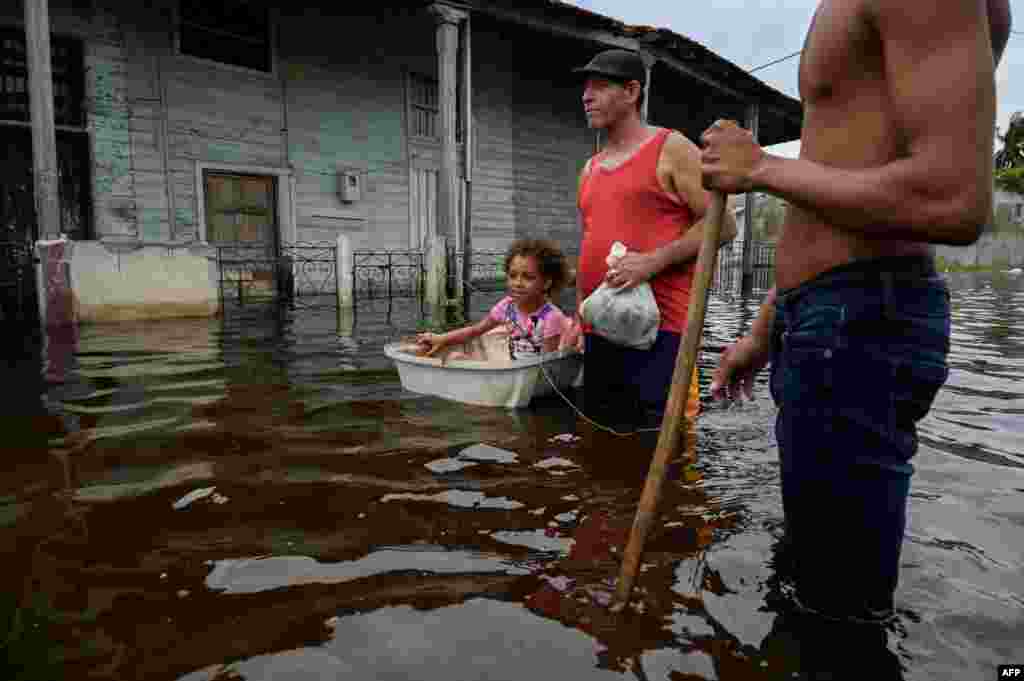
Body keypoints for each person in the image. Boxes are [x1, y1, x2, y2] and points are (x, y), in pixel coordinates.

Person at [701, 0, 1011, 625]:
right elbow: (840, 192)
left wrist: (762, 167)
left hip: (859, 319)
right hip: (826, 318)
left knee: (836, 613)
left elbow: (953, 197)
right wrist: (765, 332)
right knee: (811, 581)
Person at [561, 49, 738, 433]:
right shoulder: (590, 168)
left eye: (599, 87)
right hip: (602, 326)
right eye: (585, 88)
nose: (586, 96)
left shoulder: (671, 148)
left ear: (631, 91)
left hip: (662, 328)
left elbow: (723, 225)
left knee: (662, 440)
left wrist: (653, 262)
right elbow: (589, 242)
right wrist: (579, 315)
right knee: (604, 439)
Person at [416, 238, 571, 360]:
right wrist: (441, 338)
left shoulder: (551, 318)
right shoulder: (507, 306)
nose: (517, 283)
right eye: (512, 276)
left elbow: (548, 363)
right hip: (516, 369)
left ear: (546, 283)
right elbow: (475, 330)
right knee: (457, 356)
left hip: (531, 373)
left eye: (528, 277)